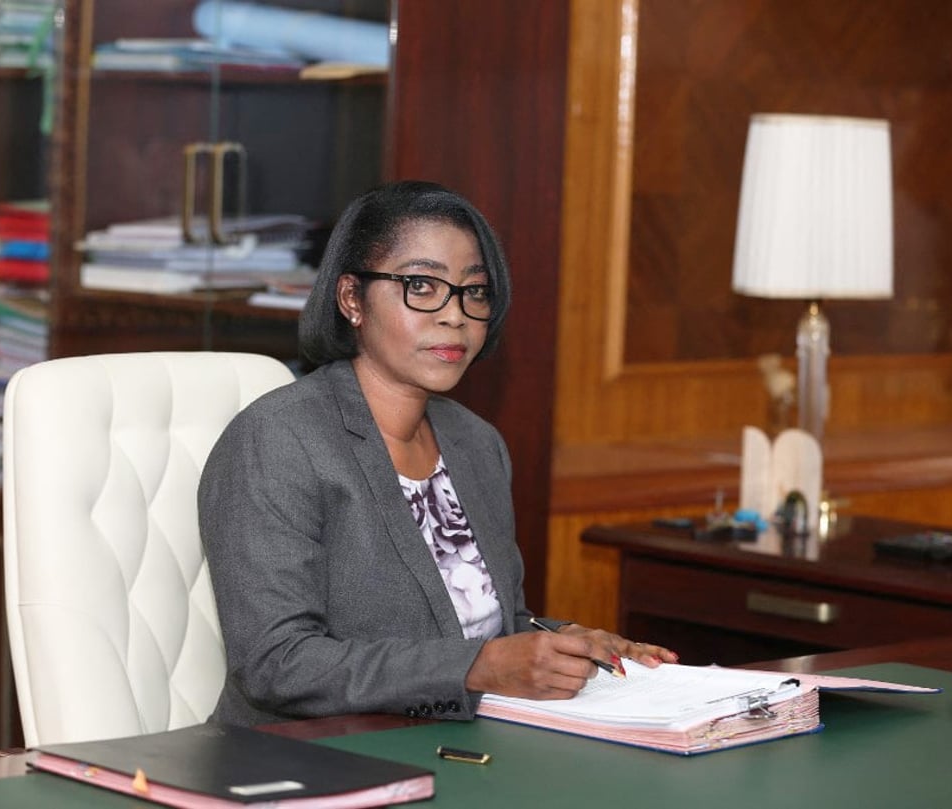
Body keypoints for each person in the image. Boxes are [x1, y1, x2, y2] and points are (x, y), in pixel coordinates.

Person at [198, 180, 677, 727]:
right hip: (305, 759)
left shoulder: (476, 444)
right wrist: (481, 665)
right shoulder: (277, 439)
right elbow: (276, 665)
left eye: (473, 292)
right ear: (351, 298)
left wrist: (566, 644)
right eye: (421, 286)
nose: (455, 315)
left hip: (452, 744)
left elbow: (490, 631)